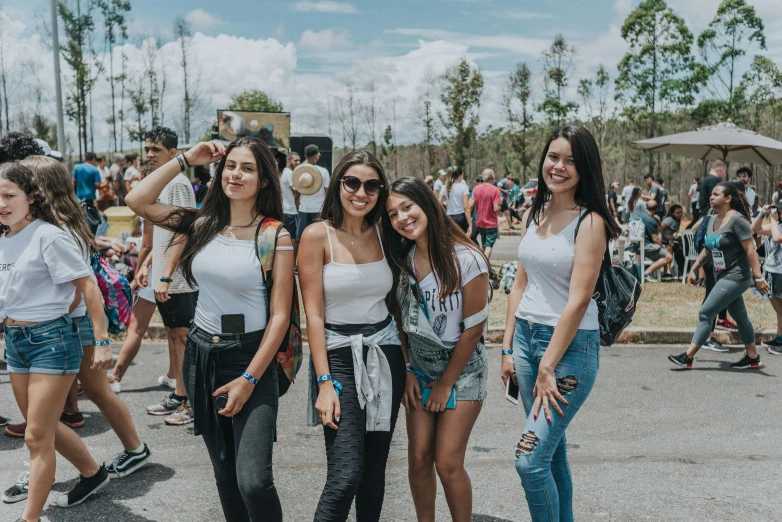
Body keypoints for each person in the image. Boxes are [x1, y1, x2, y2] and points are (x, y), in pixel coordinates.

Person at [127, 137, 293, 521]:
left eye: (248, 168)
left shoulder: (275, 235)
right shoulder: (202, 223)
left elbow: (280, 317)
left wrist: (249, 378)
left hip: (250, 358)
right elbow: (137, 201)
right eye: (230, 165)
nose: (236, 174)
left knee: (253, 479)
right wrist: (186, 159)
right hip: (202, 353)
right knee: (224, 473)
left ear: (265, 180)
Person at [501, 124, 619, 522]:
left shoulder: (590, 222)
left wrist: (549, 365)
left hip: (568, 351)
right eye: (554, 157)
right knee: (552, 456)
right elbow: (520, 284)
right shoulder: (537, 210)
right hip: (526, 341)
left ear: (585, 168)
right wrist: (506, 347)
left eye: (571, 161)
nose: (559, 167)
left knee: (529, 461)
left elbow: (579, 299)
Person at [16, 155, 150, 485]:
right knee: (87, 395)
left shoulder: (57, 227)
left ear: (38, 188)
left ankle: (129, 452)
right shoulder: (63, 219)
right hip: (72, 324)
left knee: (79, 398)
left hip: (70, 325)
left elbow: (78, 290)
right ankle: (132, 450)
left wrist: (45, 320)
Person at [0, 163, 113, 520]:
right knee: (42, 427)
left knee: (35, 436)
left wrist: (102, 339)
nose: (1, 203)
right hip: (16, 341)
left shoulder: (49, 235)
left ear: (31, 196)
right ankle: (94, 474)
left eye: (8, 195)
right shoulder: (5, 239)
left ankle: (29, 518)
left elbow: (88, 287)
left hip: (52, 339)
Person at [299, 151, 403, 522]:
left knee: (374, 473)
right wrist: (324, 382)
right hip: (338, 355)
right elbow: (313, 314)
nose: (362, 192)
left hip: (384, 354)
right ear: (338, 184)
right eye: (353, 182)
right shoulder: (316, 235)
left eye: (372, 185)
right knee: (345, 475)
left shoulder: (385, 232)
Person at [385, 176, 490, 522]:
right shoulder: (402, 259)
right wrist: (408, 370)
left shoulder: (467, 258)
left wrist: (446, 383)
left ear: (427, 203)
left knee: (447, 462)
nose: (401, 218)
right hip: (419, 367)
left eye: (407, 207)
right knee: (418, 458)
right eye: (392, 214)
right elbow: (398, 321)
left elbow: (474, 330)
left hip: (462, 370)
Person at [670, 181, 768, 370]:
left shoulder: (737, 220)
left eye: (716, 194)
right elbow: (708, 248)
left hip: (737, 276)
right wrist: (694, 269)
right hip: (721, 276)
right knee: (740, 316)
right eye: (711, 194)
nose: (711, 197)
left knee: (706, 312)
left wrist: (758, 277)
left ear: (728, 198)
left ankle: (688, 357)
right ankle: (753, 357)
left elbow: (750, 250)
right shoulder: (713, 219)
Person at [140, 127, 199, 426]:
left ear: (173, 153)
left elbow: (185, 231)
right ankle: (179, 394)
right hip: (164, 272)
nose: (150, 154)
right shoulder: (160, 182)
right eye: (148, 148)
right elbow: (163, 232)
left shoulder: (177, 183)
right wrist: (147, 264)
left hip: (178, 278)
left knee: (184, 338)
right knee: (174, 336)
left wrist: (164, 274)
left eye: (156, 150)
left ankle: (192, 402)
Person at [752, 204, 782, 355]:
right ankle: (779, 338)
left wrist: (774, 220)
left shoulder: (776, 225)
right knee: (779, 309)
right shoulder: (777, 224)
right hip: (772, 271)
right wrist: (763, 214)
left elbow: (777, 238)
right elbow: (756, 230)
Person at [296, 144, 330, 242]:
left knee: (302, 239)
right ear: (316, 156)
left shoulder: (299, 172)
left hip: (304, 209)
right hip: (319, 209)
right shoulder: (323, 171)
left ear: (305, 156)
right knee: (319, 239)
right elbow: (327, 192)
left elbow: (297, 193)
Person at [632, 200, 673, 281]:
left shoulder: (638, 215)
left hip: (635, 245)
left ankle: (665, 274)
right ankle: (647, 273)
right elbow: (656, 239)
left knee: (663, 252)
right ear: (656, 209)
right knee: (668, 256)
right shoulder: (650, 220)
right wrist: (662, 246)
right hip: (646, 246)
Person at [471, 168, 502, 260]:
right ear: (492, 178)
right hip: (491, 223)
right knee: (489, 246)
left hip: (480, 222)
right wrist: (500, 205)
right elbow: (496, 208)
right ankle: (483, 265)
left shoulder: (476, 188)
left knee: (484, 244)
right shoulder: (496, 190)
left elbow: (470, 204)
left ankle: (482, 262)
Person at [280, 151, 301, 256]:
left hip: (287, 210)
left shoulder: (286, 172)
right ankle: (292, 265)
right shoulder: (289, 173)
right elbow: (297, 192)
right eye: (295, 160)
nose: (298, 162)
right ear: (288, 161)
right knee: (293, 239)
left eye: (299, 160)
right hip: (290, 211)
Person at [439, 166, 471, 233]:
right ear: (460, 175)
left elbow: (438, 203)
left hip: (449, 217)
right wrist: (470, 224)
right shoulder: (464, 187)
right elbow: (466, 207)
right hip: (461, 217)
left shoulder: (445, 187)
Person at [660, 204, 684, 278]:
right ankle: (666, 272)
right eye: (677, 213)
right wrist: (668, 238)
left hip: (670, 241)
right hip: (663, 242)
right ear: (673, 213)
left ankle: (681, 271)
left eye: (681, 212)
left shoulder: (677, 220)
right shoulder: (669, 220)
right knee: (670, 249)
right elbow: (660, 228)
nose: (680, 214)